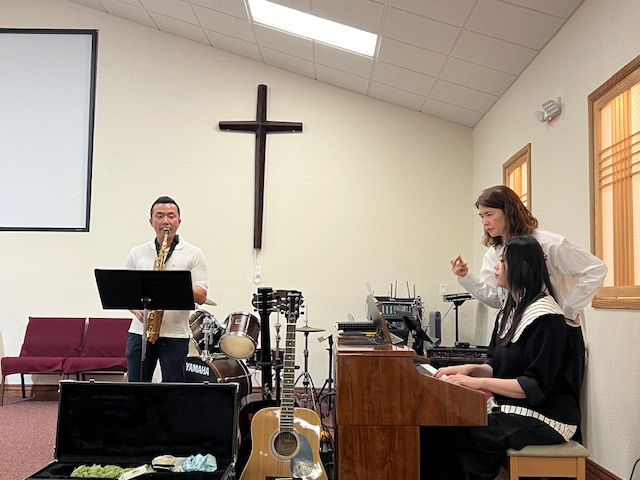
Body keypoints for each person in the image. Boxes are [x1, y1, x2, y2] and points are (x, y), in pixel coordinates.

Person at [422, 235, 585, 479]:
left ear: (523, 267)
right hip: (514, 408)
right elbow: (496, 365)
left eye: (502, 261)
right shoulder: (509, 310)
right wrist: (468, 369)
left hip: (547, 417)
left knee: (463, 435)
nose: (496, 267)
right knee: (438, 426)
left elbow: (533, 387)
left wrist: (475, 382)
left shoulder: (547, 317)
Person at [451, 185, 607, 325]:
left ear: (509, 212)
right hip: (518, 329)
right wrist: (466, 277)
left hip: (553, 328)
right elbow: (498, 300)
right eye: (482, 216)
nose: (485, 222)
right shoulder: (494, 254)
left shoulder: (550, 244)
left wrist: (568, 310)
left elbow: (595, 270)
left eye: (489, 214)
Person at [125, 196, 208, 382]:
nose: (165, 221)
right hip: (140, 332)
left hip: (175, 333)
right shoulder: (137, 253)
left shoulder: (193, 253)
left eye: (171, 216)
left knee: (173, 389)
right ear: (151, 222)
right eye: (160, 216)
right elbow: (128, 292)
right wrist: (136, 310)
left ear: (179, 222)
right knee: (135, 388)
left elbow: (201, 295)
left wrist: (173, 284)